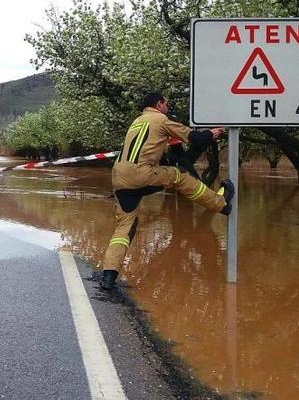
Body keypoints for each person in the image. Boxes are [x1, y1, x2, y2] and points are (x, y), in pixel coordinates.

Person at [100, 91, 235, 291]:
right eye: (166, 104)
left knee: (124, 228)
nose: (168, 107)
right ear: (159, 104)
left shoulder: (137, 121)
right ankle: (221, 204)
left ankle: (109, 276)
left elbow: (148, 150)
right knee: (179, 175)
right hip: (141, 174)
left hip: (119, 178)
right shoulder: (161, 119)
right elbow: (194, 137)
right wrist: (214, 132)